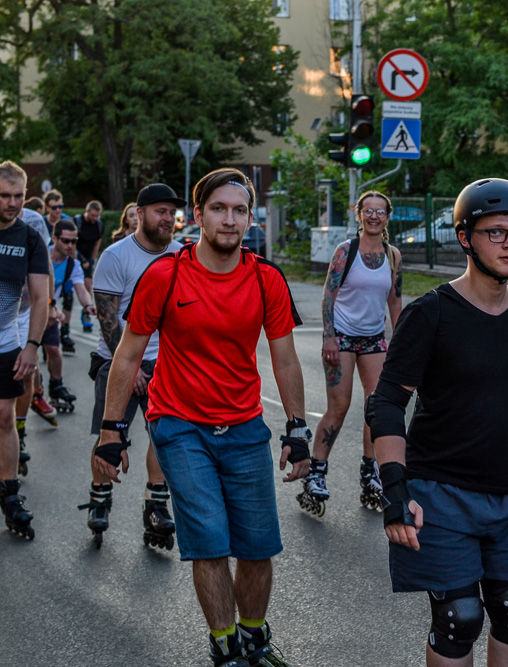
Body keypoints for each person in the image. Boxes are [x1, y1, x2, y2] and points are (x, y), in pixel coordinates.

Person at [365, 177, 508, 666]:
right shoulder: (430, 314)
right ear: (465, 238)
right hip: (439, 493)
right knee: (459, 616)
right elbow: (385, 405)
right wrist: (395, 491)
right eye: (496, 232)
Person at [93, 168, 309, 666]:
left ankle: (253, 635)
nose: (228, 219)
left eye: (238, 210)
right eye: (218, 208)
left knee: (257, 548)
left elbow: (285, 359)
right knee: (210, 543)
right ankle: (224, 644)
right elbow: (127, 356)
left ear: (250, 219)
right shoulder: (164, 275)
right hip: (179, 424)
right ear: (199, 216)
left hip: (244, 426)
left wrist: (297, 429)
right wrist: (111, 431)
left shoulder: (266, 278)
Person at [78, 185, 184, 549]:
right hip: (118, 359)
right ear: (140, 214)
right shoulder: (116, 256)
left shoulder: (182, 256)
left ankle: (156, 504)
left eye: (172, 212)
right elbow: (109, 320)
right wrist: (132, 366)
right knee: (111, 435)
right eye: (160, 211)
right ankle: (99, 497)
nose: (168, 219)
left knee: (164, 436)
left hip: (164, 363)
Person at [298, 190, 402, 516]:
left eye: (380, 211)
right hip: (341, 338)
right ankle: (316, 474)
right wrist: (328, 337)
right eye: (368, 210)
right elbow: (329, 296)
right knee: (339, 408)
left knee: (377, 406)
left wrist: (400, 343)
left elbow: (395, 302)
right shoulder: (346, 251)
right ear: (359, 214)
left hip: (373, 340)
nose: (374, 216)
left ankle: (370, 472)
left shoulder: (393, 255)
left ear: (387, 217)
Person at [0, 161, 50, 540]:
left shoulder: (29, 238)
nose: (12, 203)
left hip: (5, 338)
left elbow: (39, 297)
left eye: (18, 195)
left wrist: (32, 346)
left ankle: (10, 494)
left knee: (4, 418)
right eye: (4, 195)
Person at [13, 206, 56, 475]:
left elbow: (46, 263)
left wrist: (50, 303)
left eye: (18, 195)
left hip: (23, 308)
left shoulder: (32, 220)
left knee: (25, 371)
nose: (12, 201)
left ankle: (19, 431)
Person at [40, 220, 96, 413]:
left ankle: (56, 386)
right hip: (26, 313)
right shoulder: (40, 254)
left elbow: (80, 289)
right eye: (65, 240)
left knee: (54, 350)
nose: (70, 245)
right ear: (54, 238)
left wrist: (88, 305)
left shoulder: (73, 264)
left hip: (50, 314)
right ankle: (35, 389)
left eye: (73, 241)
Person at [43, 189, 75, 353]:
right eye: (54, 207)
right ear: (47, 208)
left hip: (64, 264)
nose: (58, 210)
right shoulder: (42, 223)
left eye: (60, 206)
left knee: (68, 297)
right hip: (45, 266)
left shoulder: (67, 222)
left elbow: (73, 247)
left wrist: (76, 264)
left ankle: (65, 332)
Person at [73, 200, 104, 333]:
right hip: (75, 256)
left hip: (88, 259)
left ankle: (86, 314)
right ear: (87, 212)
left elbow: (97, 243)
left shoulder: (99, 225)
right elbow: (72, 243)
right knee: (68, 291)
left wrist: (91, 260)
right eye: (92, 215)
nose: (94, 218)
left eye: (97, 216)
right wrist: (80, 259)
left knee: (87, 285)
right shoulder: (77, 222)